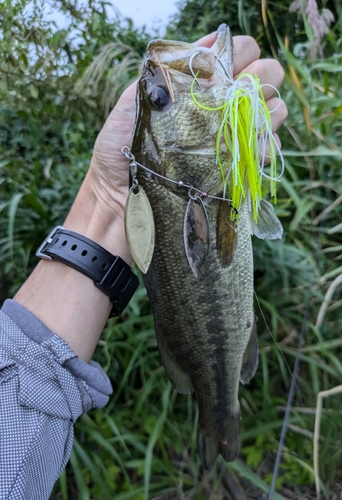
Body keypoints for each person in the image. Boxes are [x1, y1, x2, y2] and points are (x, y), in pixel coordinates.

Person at [0, 31, 287, 498]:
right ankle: (221, 410)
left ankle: (219, 410)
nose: (164, 88)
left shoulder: (204, 163)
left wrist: (105, 204)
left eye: (154, 97)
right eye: (160, 98)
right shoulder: (206, 165)